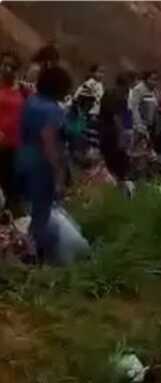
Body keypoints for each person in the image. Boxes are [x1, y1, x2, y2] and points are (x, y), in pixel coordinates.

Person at [15, 66, 71, 262]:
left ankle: (20, 248)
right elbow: (49, 142)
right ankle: (32, 257)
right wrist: (58, 176)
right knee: (40, 214)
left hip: (23, 158)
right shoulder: (53, 109)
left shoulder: (31, 101)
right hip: (41, 164)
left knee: (24, 209)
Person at [0, 51, 26, 212]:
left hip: (16, 146)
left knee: (12, 186)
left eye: (12, 66)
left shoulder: (23, 90)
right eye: (4, 65)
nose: (7, 69)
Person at [99, 73, 132, 183]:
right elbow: (116, 117)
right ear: (124, 85)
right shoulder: (117, 95)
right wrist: (122, 136)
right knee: (117, 162)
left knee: (113, 161)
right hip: (113, 133)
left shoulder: (111, 93)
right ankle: (118, 184)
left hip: (107, 131)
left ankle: (115, 184)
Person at [128, 71, 159, 137]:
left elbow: (155, 106)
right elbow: (134, 108)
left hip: (151, 125)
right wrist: (139, 125)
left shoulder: (155, 91)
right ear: (146, 79)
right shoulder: (138, 89)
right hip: (141, 126)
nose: (154, 82)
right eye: (152, 79)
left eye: (156, 80)